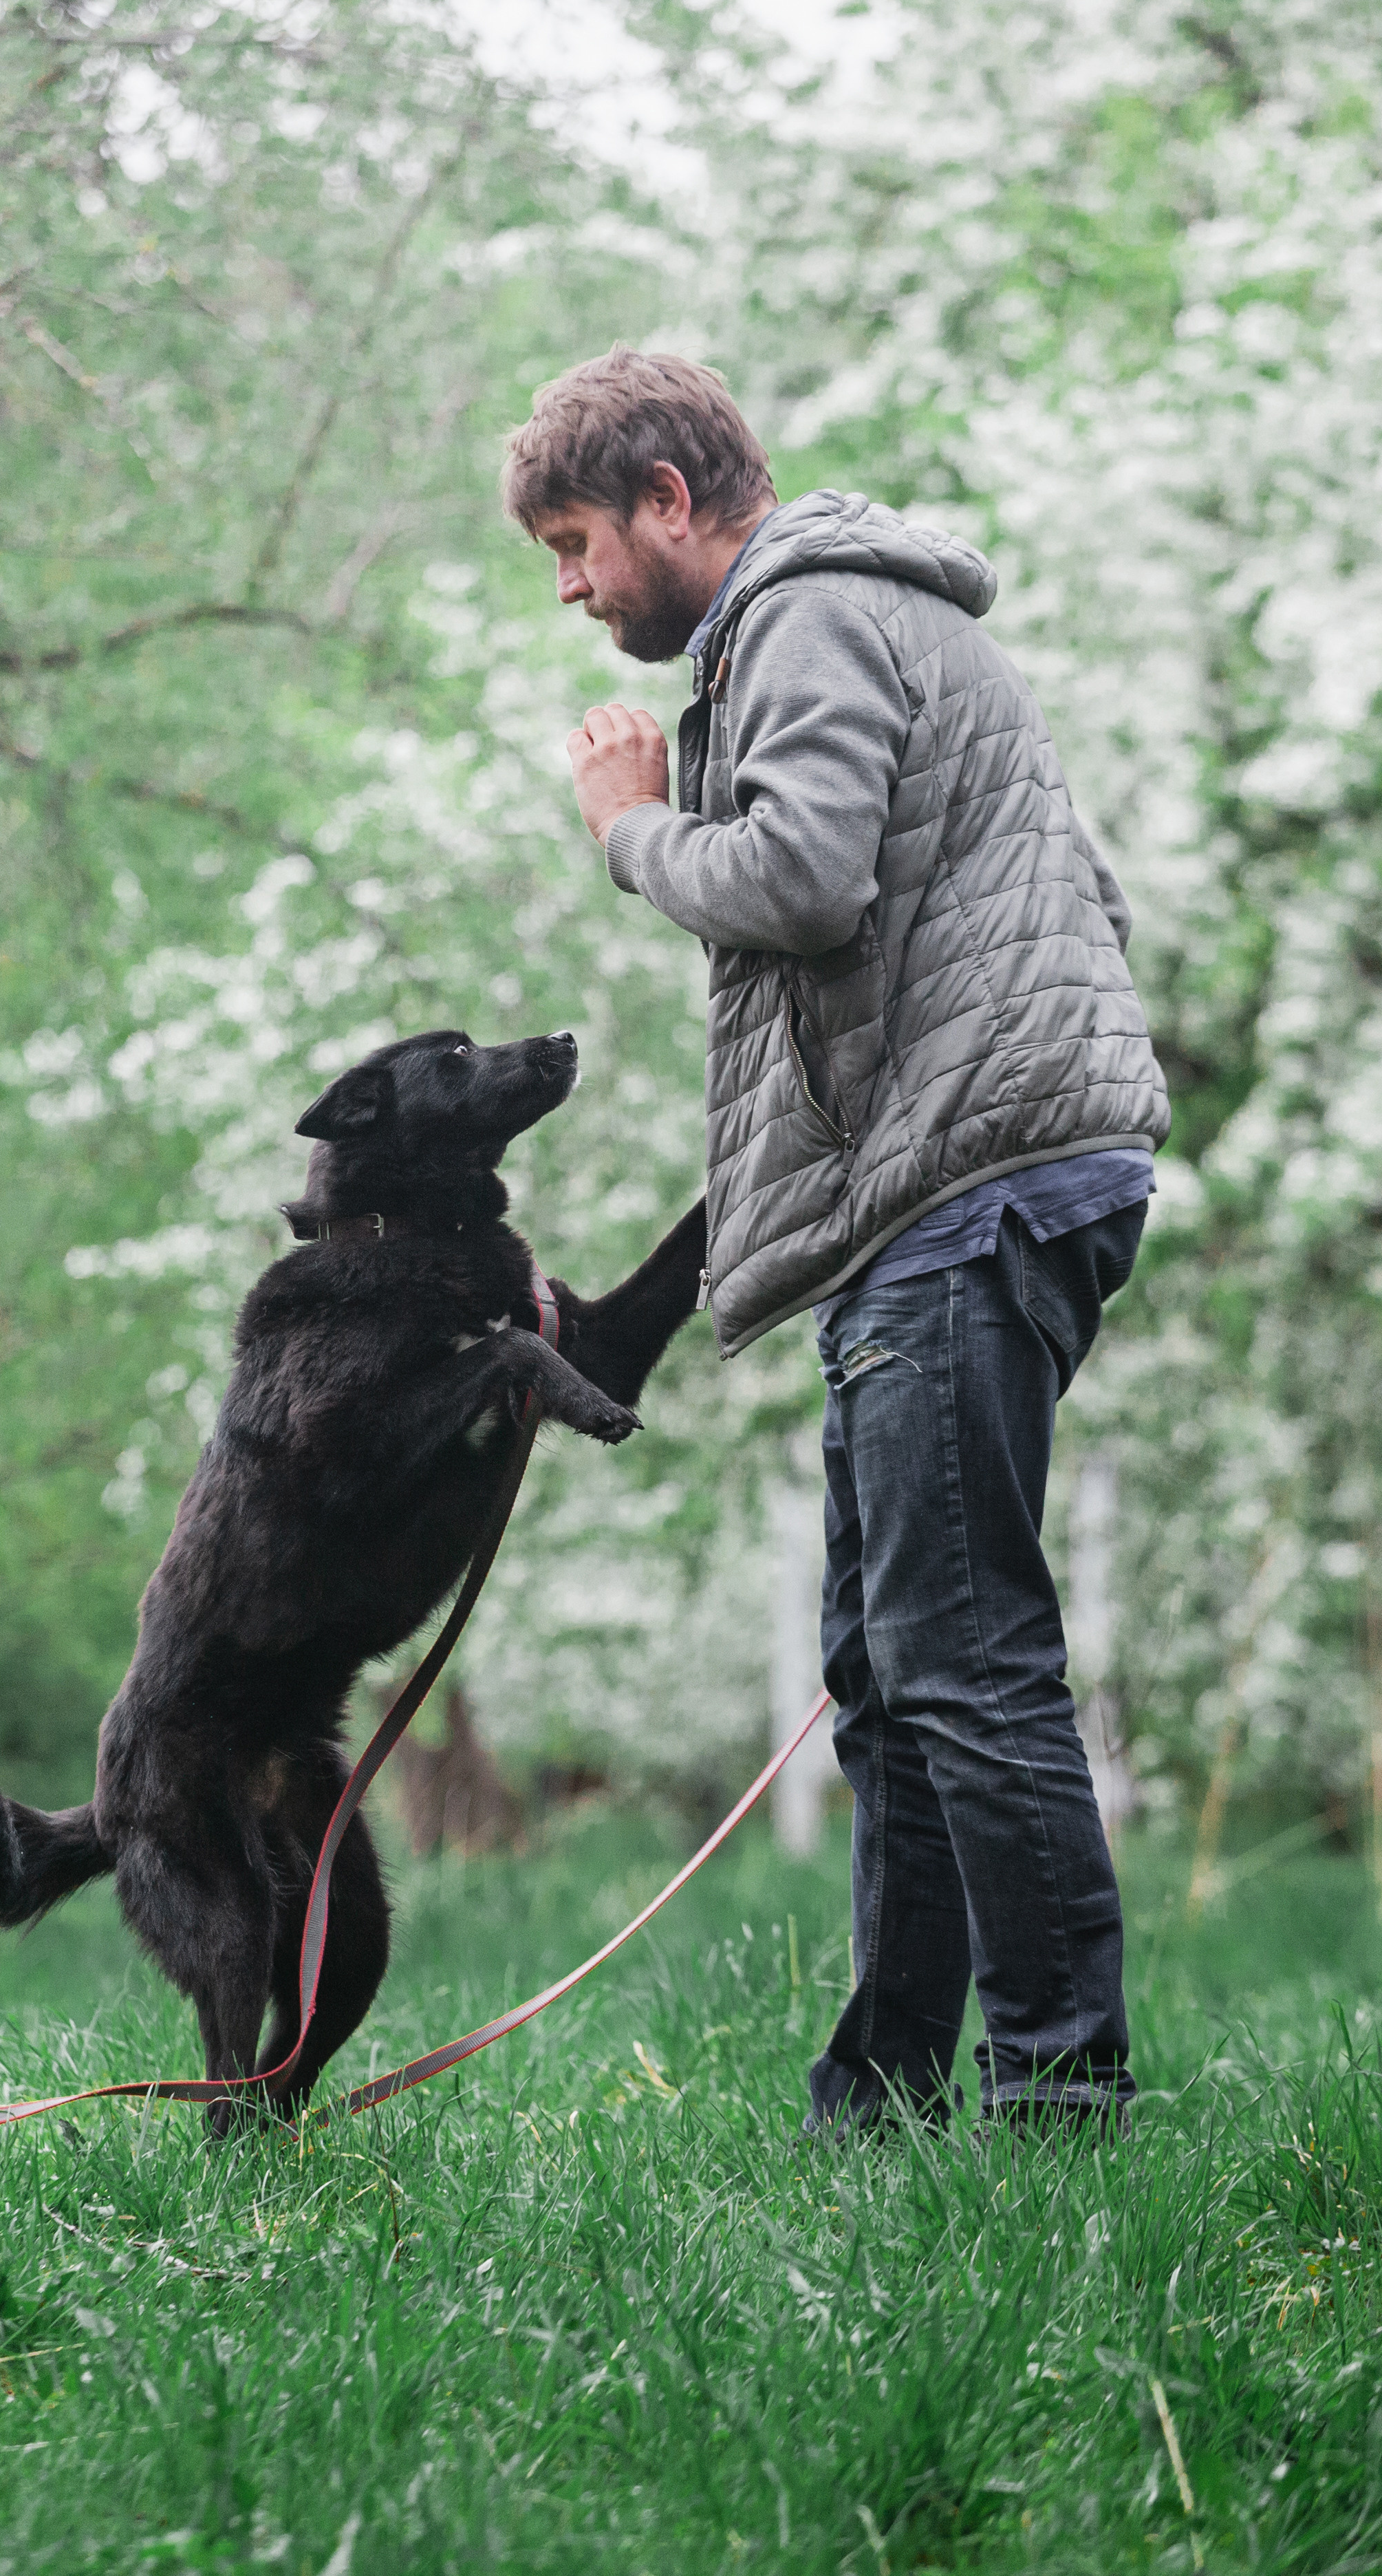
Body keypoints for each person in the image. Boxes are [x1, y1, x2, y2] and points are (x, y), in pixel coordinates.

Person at [501, 346, 1171, 2136]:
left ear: (666, 497)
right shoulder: (878, 622)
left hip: (975, 1195)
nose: (570, 589)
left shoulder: (805, 620)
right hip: (981, 1185)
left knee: (958, 1661)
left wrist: (637, 827)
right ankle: (881, 2097)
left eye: (575, 542)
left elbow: (801, 881)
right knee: (890, 1677)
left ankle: (1062, 2114)